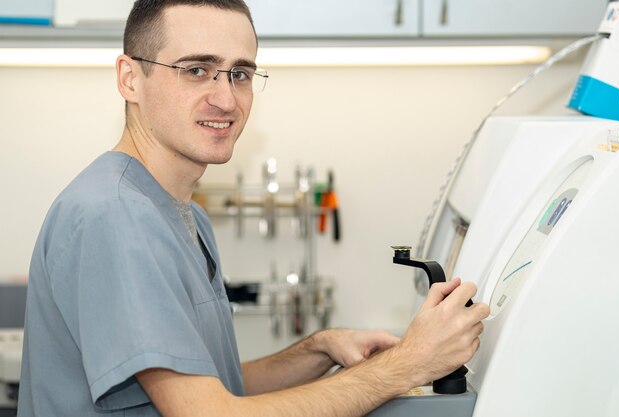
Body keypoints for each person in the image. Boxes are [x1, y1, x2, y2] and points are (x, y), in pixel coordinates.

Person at [17, 0, 490, 416]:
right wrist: (409, 363)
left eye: (240, 73)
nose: (225, 99)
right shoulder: (115, 216)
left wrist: (319, 347)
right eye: (195, 69)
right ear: (130, 78)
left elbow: (212, 387)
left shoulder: (182, 213)